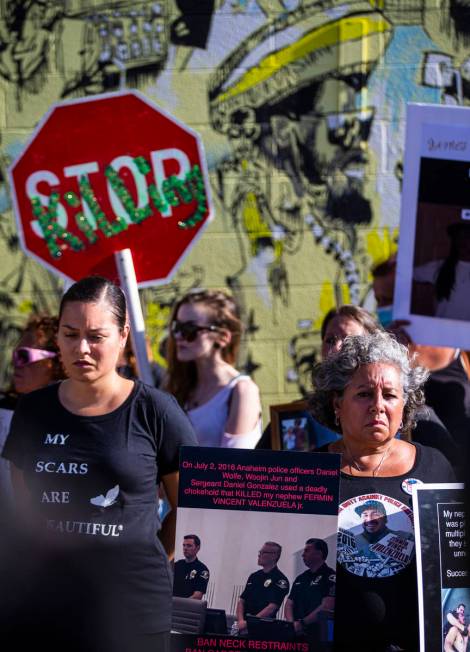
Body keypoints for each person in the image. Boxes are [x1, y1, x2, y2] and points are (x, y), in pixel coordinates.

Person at [1, 276, 197, 652]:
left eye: (96, 336)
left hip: (132, 610)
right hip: (46, 606)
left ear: (123, 336)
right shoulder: (32, 411)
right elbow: (26, 509)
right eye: (70, 334)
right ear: (57, 337)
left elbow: (188, 507)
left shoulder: (156, 411)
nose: (82, 348)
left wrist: (142, 551)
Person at [310, 331, 455, 650]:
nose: (378, 406)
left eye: (390, 395)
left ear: (405, 403)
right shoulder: (309, 472)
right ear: (337, 403)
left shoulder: (436, 468)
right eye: (363, 394)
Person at [165, 289, 262, 448]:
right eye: (177, 327)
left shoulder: (241, 390)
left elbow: (233, 462)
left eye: (189, 329)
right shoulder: (179, 386)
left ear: (223, 337)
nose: (178, 336)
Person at [0, 315, 65, 516]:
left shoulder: (78, 417)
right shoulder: (3, 410)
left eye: (25, 356)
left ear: (56, 363)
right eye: (16, 355)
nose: (17, 363)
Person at [413, 221, 470, 321]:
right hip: (440, 331)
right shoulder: (438, 267)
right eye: (458, 237)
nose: (462, 241)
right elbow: (404, 274)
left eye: (467, 236)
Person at [285, 538, 335, 642]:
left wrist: (302, 623)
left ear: (319, 553)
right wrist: (292, 624)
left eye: (307, 551)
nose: (303, 555)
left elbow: (327, 605)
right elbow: (289, 603)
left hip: (319, 634)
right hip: (296, 633)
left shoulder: (330, 576)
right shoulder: (301, 578)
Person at [236, 541, 290, 634]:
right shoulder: (254, 576)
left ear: (274, 556)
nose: (259, 555)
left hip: (263, 629)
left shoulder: (280, 580)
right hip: (244, 627)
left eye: (263, 552)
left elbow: (272, 607)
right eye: (259, 552)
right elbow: (241, 601)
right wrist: (241, 621)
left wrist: (249, 623)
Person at [173, 534, 210, 599]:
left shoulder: (203, 570)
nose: (185, 548)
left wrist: (179, 604)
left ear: (197, 548)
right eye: (184, 545)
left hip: (187, 607)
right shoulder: (176, 565)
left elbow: (197, 596)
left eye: (189, 546)